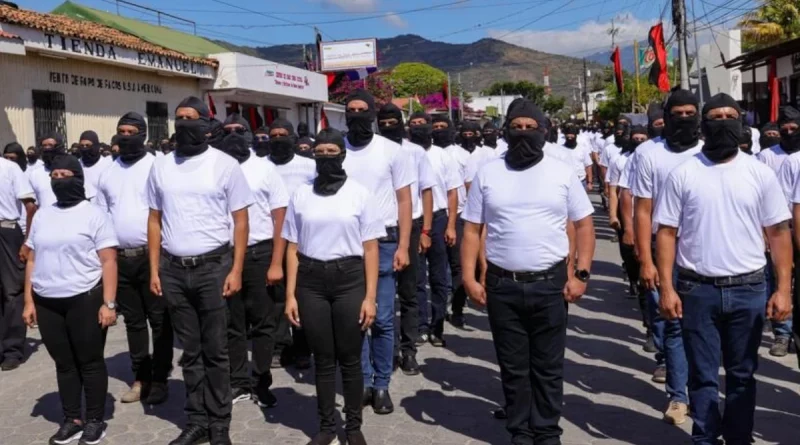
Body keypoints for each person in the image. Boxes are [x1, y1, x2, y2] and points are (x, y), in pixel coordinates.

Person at [654, 93, 793, 445]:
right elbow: (667, 233)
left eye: (730, 115)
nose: (723, 122)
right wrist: (667, 288)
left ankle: (738, 439)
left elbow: (778, 233)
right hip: (696, 289)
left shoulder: (759, 174)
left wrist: (783, 289)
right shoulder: (683, 173)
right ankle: (704, 437)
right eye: (715, 116)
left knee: (743, 374)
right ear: (704, 123)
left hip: (749, 289)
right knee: (702, 377)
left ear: (741, 121)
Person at [462, 98, 595, 445]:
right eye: (516, 127)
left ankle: (547, 432)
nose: (523, 133)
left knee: (548, 368)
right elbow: (472, 229)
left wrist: (581, 274)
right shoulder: (489, 172)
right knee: (513, 367)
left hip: (550, 284)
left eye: (530, 127)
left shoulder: (561, 172)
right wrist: (469, 278)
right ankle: (520, 433)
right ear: (506, 130)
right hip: (502, 285)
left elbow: (584, 224)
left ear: (543, 130)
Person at [147, 96, 253, 445]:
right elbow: (154, 219)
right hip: (174, 270)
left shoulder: (224, 165)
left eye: (191, 118)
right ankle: (196, 420)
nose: (184, 123)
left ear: (206, 123)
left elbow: (240, 220)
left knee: (215, 350)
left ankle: (220, 422)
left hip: (214, 267)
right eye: (179, 118)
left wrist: (236, 269)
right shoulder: (161, 166)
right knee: (190, 352)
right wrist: (154, 269)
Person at [283, 128, 383, 445]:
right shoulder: (300, 194)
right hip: (311, 280)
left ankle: (353, 427)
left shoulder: (359, 193)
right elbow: (291, 247)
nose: (326, 157)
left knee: (350, 358)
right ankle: (327, 427)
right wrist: (290, 295)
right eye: (320, 152)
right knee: (323, 359)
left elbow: (370, 249)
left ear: (342, 154)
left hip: (349, 278)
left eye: (332, 151)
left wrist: (370, 297)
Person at [22, 154, 118, 445]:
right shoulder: (43, 215)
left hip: (84, 297)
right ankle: (72, 419)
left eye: (66, 175)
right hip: (47, 300)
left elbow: (109, 260)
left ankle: (95, 421)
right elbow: (31, 259)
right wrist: (28, 301)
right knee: (63, 363)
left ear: (79, 178)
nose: (60, 181)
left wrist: (109, 303)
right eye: (55, 176)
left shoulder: (94, 214)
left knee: (89, 362)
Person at [633, 89, 702, 425]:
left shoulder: (710, 151)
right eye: (678, 113)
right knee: (673, 324)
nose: (685, 118)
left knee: (703, 329)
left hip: (705, 251)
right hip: (666, 251)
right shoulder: (648, 153)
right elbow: (643, 209)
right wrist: (646, 259)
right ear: (667, 116)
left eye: (691, 112)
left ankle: (702, 392)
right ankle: (678, 397)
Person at [342, 89, 412, 414]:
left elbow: (404, 200)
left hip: (384, 242)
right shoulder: (335, 149)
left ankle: (382, 384)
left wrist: (404, 246)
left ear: (371, 113)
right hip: (347, 245)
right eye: (351, 109)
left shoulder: (392, 151)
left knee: (382, 318)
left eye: (362, 109)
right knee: (357, 318)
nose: (356, 114)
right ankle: (365, 382)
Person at [95, 112, 174, 405]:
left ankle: (162, 377)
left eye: (131, 131)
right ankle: (142, 378)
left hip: (152, 257)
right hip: (120, 259)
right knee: (134, 323)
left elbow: (167, 211)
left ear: (142, 134)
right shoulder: (107, 171)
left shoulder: (157, 166)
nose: (125, 136)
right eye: (121, 131)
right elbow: (101, 215)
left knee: (160, 320)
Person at [218, 113, 289, 407]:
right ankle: (238, 382)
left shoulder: (266, 170)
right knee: (232, 323)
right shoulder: (215, 168)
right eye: (228, 130)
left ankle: (261, 381)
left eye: (240, 130)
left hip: (260, 254)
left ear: (249, 135)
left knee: (263, 323)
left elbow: (280, 217)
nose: (234, 134)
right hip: (225, 255)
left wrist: (276, 262)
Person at [377, 103, 436, 373]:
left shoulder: (415, 152)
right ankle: (385, 351)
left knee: (409, 292)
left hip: (410, 227)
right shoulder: (374, 150)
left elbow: (426, 191)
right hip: (380, 229)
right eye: (383, 122)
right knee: (384, 296)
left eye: (393, 122)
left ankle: (408, 349)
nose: (388, 127)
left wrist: (425, 230)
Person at [407, 111, 459, 374]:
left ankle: (437, 326)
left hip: (439, 220)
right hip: (415, 221)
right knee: (416, 277)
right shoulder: (405, 154)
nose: (419, 128)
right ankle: (419, 326)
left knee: (439, 277)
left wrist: (450, 224)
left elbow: (452, 193)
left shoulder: (443, 156)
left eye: (422, 124)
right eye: (413, 124)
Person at [266, 118, 314, 369]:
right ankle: (279, 346)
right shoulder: (261, 165)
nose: (277, 139)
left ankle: (303, 347)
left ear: (293, 137)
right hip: (272, 239)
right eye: (272, 135)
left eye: (282, 134)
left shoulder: (308, 165)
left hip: (302, 239)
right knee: (276, 296)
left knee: (301, 294)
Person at [755, 107, 798, 357]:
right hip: (780, 227)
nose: (789, 133)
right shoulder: (767, 156)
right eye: (785, 129)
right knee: (779, 280)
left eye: (794, 128)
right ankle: (782, 333)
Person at [0, 150, 35, 372]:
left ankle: (12, 349)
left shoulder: (9, 168)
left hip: (6, 230)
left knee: (12, 291)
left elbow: (30, 206)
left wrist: (28, 241)